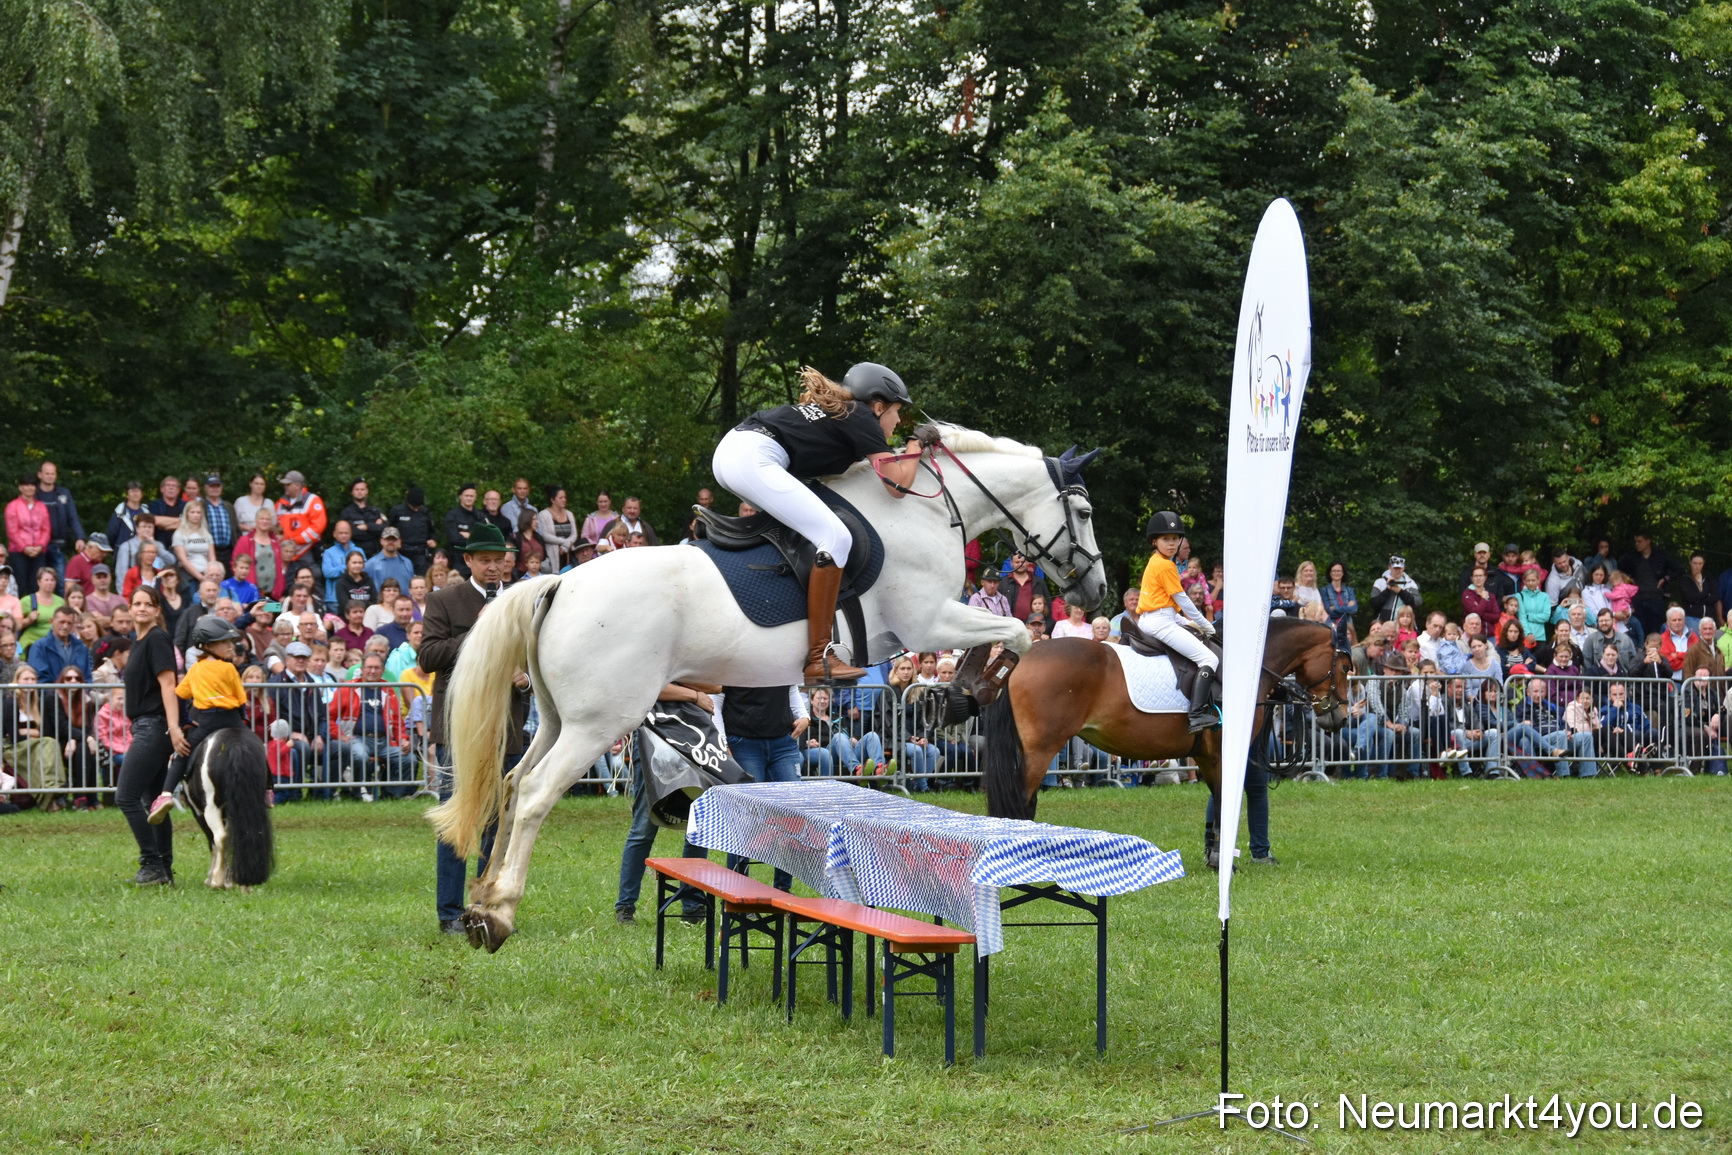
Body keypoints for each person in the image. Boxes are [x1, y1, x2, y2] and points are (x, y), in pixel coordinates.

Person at [710, 363, 921, 681]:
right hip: (753, 456)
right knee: (835, 537)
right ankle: (819, 656)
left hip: (737, 452)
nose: (899, 420)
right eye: (896, 411)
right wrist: (916, 444)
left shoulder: (846, 418)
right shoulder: (862, 416)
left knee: (806, 534)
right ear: (878, 406)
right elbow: (898, 486)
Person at [423, 521, 530, 935]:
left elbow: (536, 657)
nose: (492, 567)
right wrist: (479, 630)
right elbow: (429, 655)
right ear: (467, 560)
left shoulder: (521, 599)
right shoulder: (444, 601)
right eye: (483, 560)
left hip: (508, 725)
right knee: (458, 821)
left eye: (498, 560)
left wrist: (527, 679)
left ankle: (485, 907)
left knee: (500, 824)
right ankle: (449, 913)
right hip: (459, 731)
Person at [614, 682, 716, 924]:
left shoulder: (696, 649)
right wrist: (694, 694)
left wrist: (674, 684)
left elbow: (716, 684)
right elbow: (649, 687)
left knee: (697, 825)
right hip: (652, 737)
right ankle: (625, 906)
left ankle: (692, 906)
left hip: (693, 737)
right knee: (644, 826)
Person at [143, 617, 249, 823]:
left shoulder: (196, 669)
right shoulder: (229, 669)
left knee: (182, 754)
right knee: (255, 748)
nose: (230, 646)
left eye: (230, 642)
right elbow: (241, 700)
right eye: (224, 642)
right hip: (231, 720)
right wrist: (242, 721)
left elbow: (180, 696)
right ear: (208, 645)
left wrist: (184, 720)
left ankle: (165, 795)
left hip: (207, 721)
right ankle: (267, 788)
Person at [115, 587, 184, 883]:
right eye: (137, 604)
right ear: (130, 609)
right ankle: (164, 869)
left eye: (148, 604)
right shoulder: (139, 640)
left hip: (154, 726)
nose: (141, 608)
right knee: (154, 800)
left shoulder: (156, 638)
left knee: (125, 796)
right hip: (146, 725)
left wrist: (173, 727)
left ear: (157, 610)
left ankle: (152, 862)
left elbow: (169, 685)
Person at [716, 683, 809, 886]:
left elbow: (791, 687)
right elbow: (717, 699)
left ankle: (783, 891)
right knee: (745, 816)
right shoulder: (735, 658)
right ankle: (737, 893)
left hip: (783, 741)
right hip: (742, 741)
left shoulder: (782, 657)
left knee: (792, 815)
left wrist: (804, 716)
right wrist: (722, 742)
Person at [1135, 511, 1217, 732]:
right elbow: (1183, 599)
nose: (1171, 544)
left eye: (1174, 539)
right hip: (1160, 622)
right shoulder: (1165, 565)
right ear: (1155, 541)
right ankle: (1196, 715)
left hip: (1159, 618)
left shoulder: (1156, 561)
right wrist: (1205, 624)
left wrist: (1187, 623)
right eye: (1165, 539)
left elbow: (1167, 603)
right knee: (1209, 658)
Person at [34, 461, 85, 577]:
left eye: (52, 473)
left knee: (61, 582)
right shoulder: (33, 493)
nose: (50, 476)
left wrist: (80, 537)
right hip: (36, 546)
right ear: (40, 474)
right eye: (47, 473)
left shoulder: (64, 493)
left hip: (58, 544)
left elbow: (72, 517)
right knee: (37, 582)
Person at [6, 474, 52, 593]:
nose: (29, 488)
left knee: (36, 585)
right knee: (19, 584)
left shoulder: (41, 507)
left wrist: (40, 546)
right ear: (20, 487)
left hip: (38, 551)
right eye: (26, 485)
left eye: (32, 485)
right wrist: (24, 547)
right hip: (18, 551)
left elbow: (46, 529)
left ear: (36, 488)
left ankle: (35, 610)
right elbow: (12, 531)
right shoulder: (12, 506)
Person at [275, 470, 327, 569]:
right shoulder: (280, 504)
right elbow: (275, 527)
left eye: (288, 484)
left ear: (297, 485)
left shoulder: (312, 500)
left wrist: (296, 540)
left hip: (306, 550)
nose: (285, 486)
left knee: (312, 577)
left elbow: (318, 526)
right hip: (285, 551)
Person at [234, 504, 286, 599]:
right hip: (250, 591)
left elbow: (280, 566)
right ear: (256, 521)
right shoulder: (245, 540)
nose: (264, 521)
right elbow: (235, 563)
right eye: (262, 518)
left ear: (271, 523)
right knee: (253, 613)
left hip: (272, 592)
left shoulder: (275, 542)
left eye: (268, 519)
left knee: (272, 613)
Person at [29, 605, 92, 684]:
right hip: (50, 695)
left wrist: (84, 693)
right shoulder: (40, 647)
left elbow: (87, 677)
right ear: (52, 621)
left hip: (78, 695)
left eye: (69, 623)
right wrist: (57, 694)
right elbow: (39, 677)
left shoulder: (81, 647)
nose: (65, 626)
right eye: (62, 622)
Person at [387, 486, 438, 575]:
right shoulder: (397, 511)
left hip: (421, 553)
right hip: (402, 552)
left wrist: (433, 540)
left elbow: (432, 531)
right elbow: (388, 530)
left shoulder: (425, 512)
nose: (416, 509)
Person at [339, 478, 389, 556]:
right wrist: (375, 528)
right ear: (352, 492)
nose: (359, 492)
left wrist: (367, 526)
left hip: (376, 554)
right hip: (354, 555)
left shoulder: (376, 511)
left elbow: (386, 529)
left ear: (367, 491)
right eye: (357, 489)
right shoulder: (346, 513)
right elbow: (353, 533)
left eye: (362, 489)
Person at [533, 488, 579, 572]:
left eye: (565, 497)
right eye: (560, 498)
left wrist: (566, 545)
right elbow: (545, 535)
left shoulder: (569, 514)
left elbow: (574, 534)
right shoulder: (543, 515)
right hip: (552, 554)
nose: (564, 500)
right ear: (553, 500)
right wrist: (564, 542)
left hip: (568, 553)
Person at [1367, 555, 1422, 623]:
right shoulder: (1380, 582)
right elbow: (1374, 603)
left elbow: (1417, 603)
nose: (1397, 571)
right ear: (1389, 567)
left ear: (1403, 568)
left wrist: (1400, 591)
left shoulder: (1410, 583)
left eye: (1399, 568)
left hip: (1404, 623)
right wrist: (1388, 590)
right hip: (1384, 622)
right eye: (1395, 568)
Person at [322, 519, 365, 602]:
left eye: (346, 533)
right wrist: (347, 568)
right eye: (341, 533)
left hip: (356, 596)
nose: (343, 535)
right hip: (334, 599)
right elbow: (327, 572)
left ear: (350, 534)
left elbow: (364, 571)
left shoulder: (359, 551)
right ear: (334, 534)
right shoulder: (329, 552)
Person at [443, 484, 481, 576]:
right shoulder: (452, 516)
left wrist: (469, 536)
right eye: (466, 496)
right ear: (460, 496)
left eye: (471, 496)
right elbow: (454, 539)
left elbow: (485, 538)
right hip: (458, 561)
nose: (469, 498)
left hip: (477, 561)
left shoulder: (480, 516)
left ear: (475, 497)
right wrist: (475, 538)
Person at [1319, 561, 1357, 649]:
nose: (1336, 573)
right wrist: (1347, 607)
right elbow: (1329, 611)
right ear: (1330, 573)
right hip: (1332, 625)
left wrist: (1335, 608)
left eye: (1339, 571)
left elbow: (1354, 609)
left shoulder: (1349, 590)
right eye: (1334, 571)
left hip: (1348, 625)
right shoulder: (1324, 590)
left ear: (1343, 573)